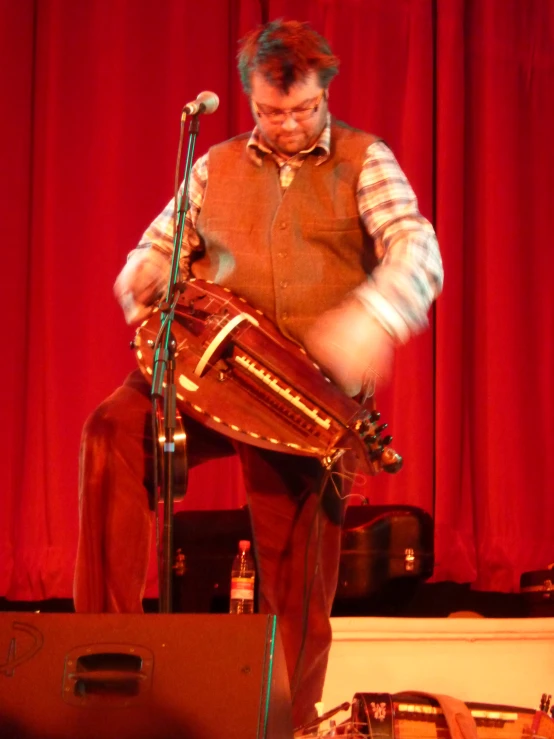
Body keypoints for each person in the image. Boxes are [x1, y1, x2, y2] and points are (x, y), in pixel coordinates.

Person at [74, 19, 443, 729]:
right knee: (110, 432)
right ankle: (102, 653)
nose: (289, 125)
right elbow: (157, 245)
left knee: (296, 571)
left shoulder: (365, 160)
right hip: (207, 367)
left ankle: (284, 719)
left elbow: (416, 248)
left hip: (302, 399)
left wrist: (374, 315)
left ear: (323, 93)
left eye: (304, 109)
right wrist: (144, 272)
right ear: (251, 98)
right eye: (273, 112)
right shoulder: (214, 162)